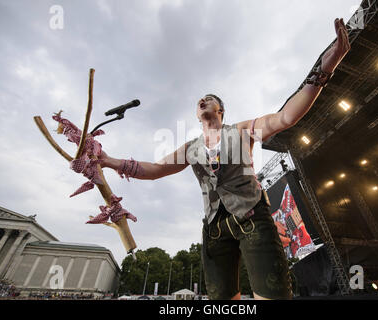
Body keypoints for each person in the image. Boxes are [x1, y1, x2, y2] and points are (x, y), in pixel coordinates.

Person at [97, 18, 350, 300]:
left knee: (272, 295)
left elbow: (285, 117)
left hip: (252, 215)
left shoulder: (242, 131)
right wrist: (108, 160)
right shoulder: (190, 148)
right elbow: (154, 169)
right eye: (199, 101)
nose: (202, 101)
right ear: (197, 113)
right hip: (214, 228)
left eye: (209, 98)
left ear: (221, 110)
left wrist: (326, 67)